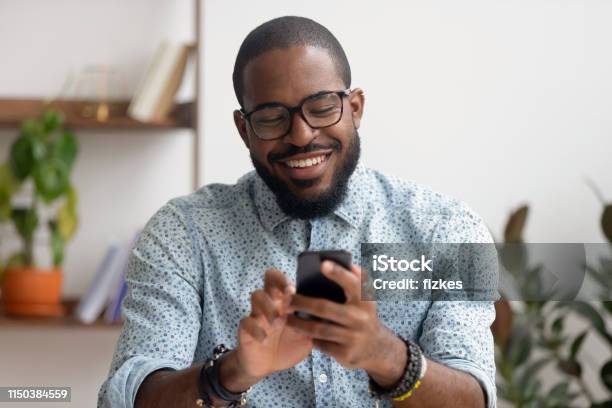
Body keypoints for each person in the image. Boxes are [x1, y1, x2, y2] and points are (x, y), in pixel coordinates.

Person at [98, 16, 497, 408]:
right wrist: (230, 373)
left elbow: (476, 399)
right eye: (272, 118)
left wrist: (386, 356)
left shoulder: (447, 230)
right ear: (244, 130)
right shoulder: (183, 233)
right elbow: (123, 398)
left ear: (355, 108)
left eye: (322, 108)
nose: (302, 135)